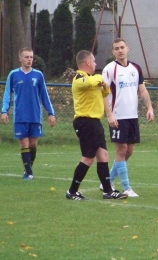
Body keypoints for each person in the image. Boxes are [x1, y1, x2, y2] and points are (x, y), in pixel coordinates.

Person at [65, 50, 127, 200]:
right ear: (87, 63)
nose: (95, 64)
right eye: (93, 61)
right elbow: (93, 82)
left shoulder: (92, 80)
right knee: (88, 157)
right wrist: (100, 79)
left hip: (95, 122)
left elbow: (104, 93)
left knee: (103, 155)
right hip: (85, 122)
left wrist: (104, 86)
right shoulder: (79, 77)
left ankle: (107, 191)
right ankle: (72, 191)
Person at [101, 38, 154, 197]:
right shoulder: (109, 69)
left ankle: (108, 181)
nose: (120, 50)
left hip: (132, 116)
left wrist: (149, 107)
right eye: (116, 48)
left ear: (127, 48)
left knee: (129, 150)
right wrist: (109, 115)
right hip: (117, 116)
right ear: (113, 52)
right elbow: (103, 93)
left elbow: (142, 90)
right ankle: (126, 188)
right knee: (121, 150)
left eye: (122, 47)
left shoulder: (135, 68)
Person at [1, 47, 56, 180]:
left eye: (31, 57)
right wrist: (4, 111)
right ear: (20, 59)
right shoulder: (14, 74)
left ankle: (27, 169)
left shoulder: (38, 75)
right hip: (20, 116)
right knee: (24, 143)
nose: (29, 59)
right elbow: (8, 94)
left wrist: (51, 113)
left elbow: (44, 95)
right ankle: (28, 172)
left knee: (33, 145)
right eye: (26, 57)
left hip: (35, 115)